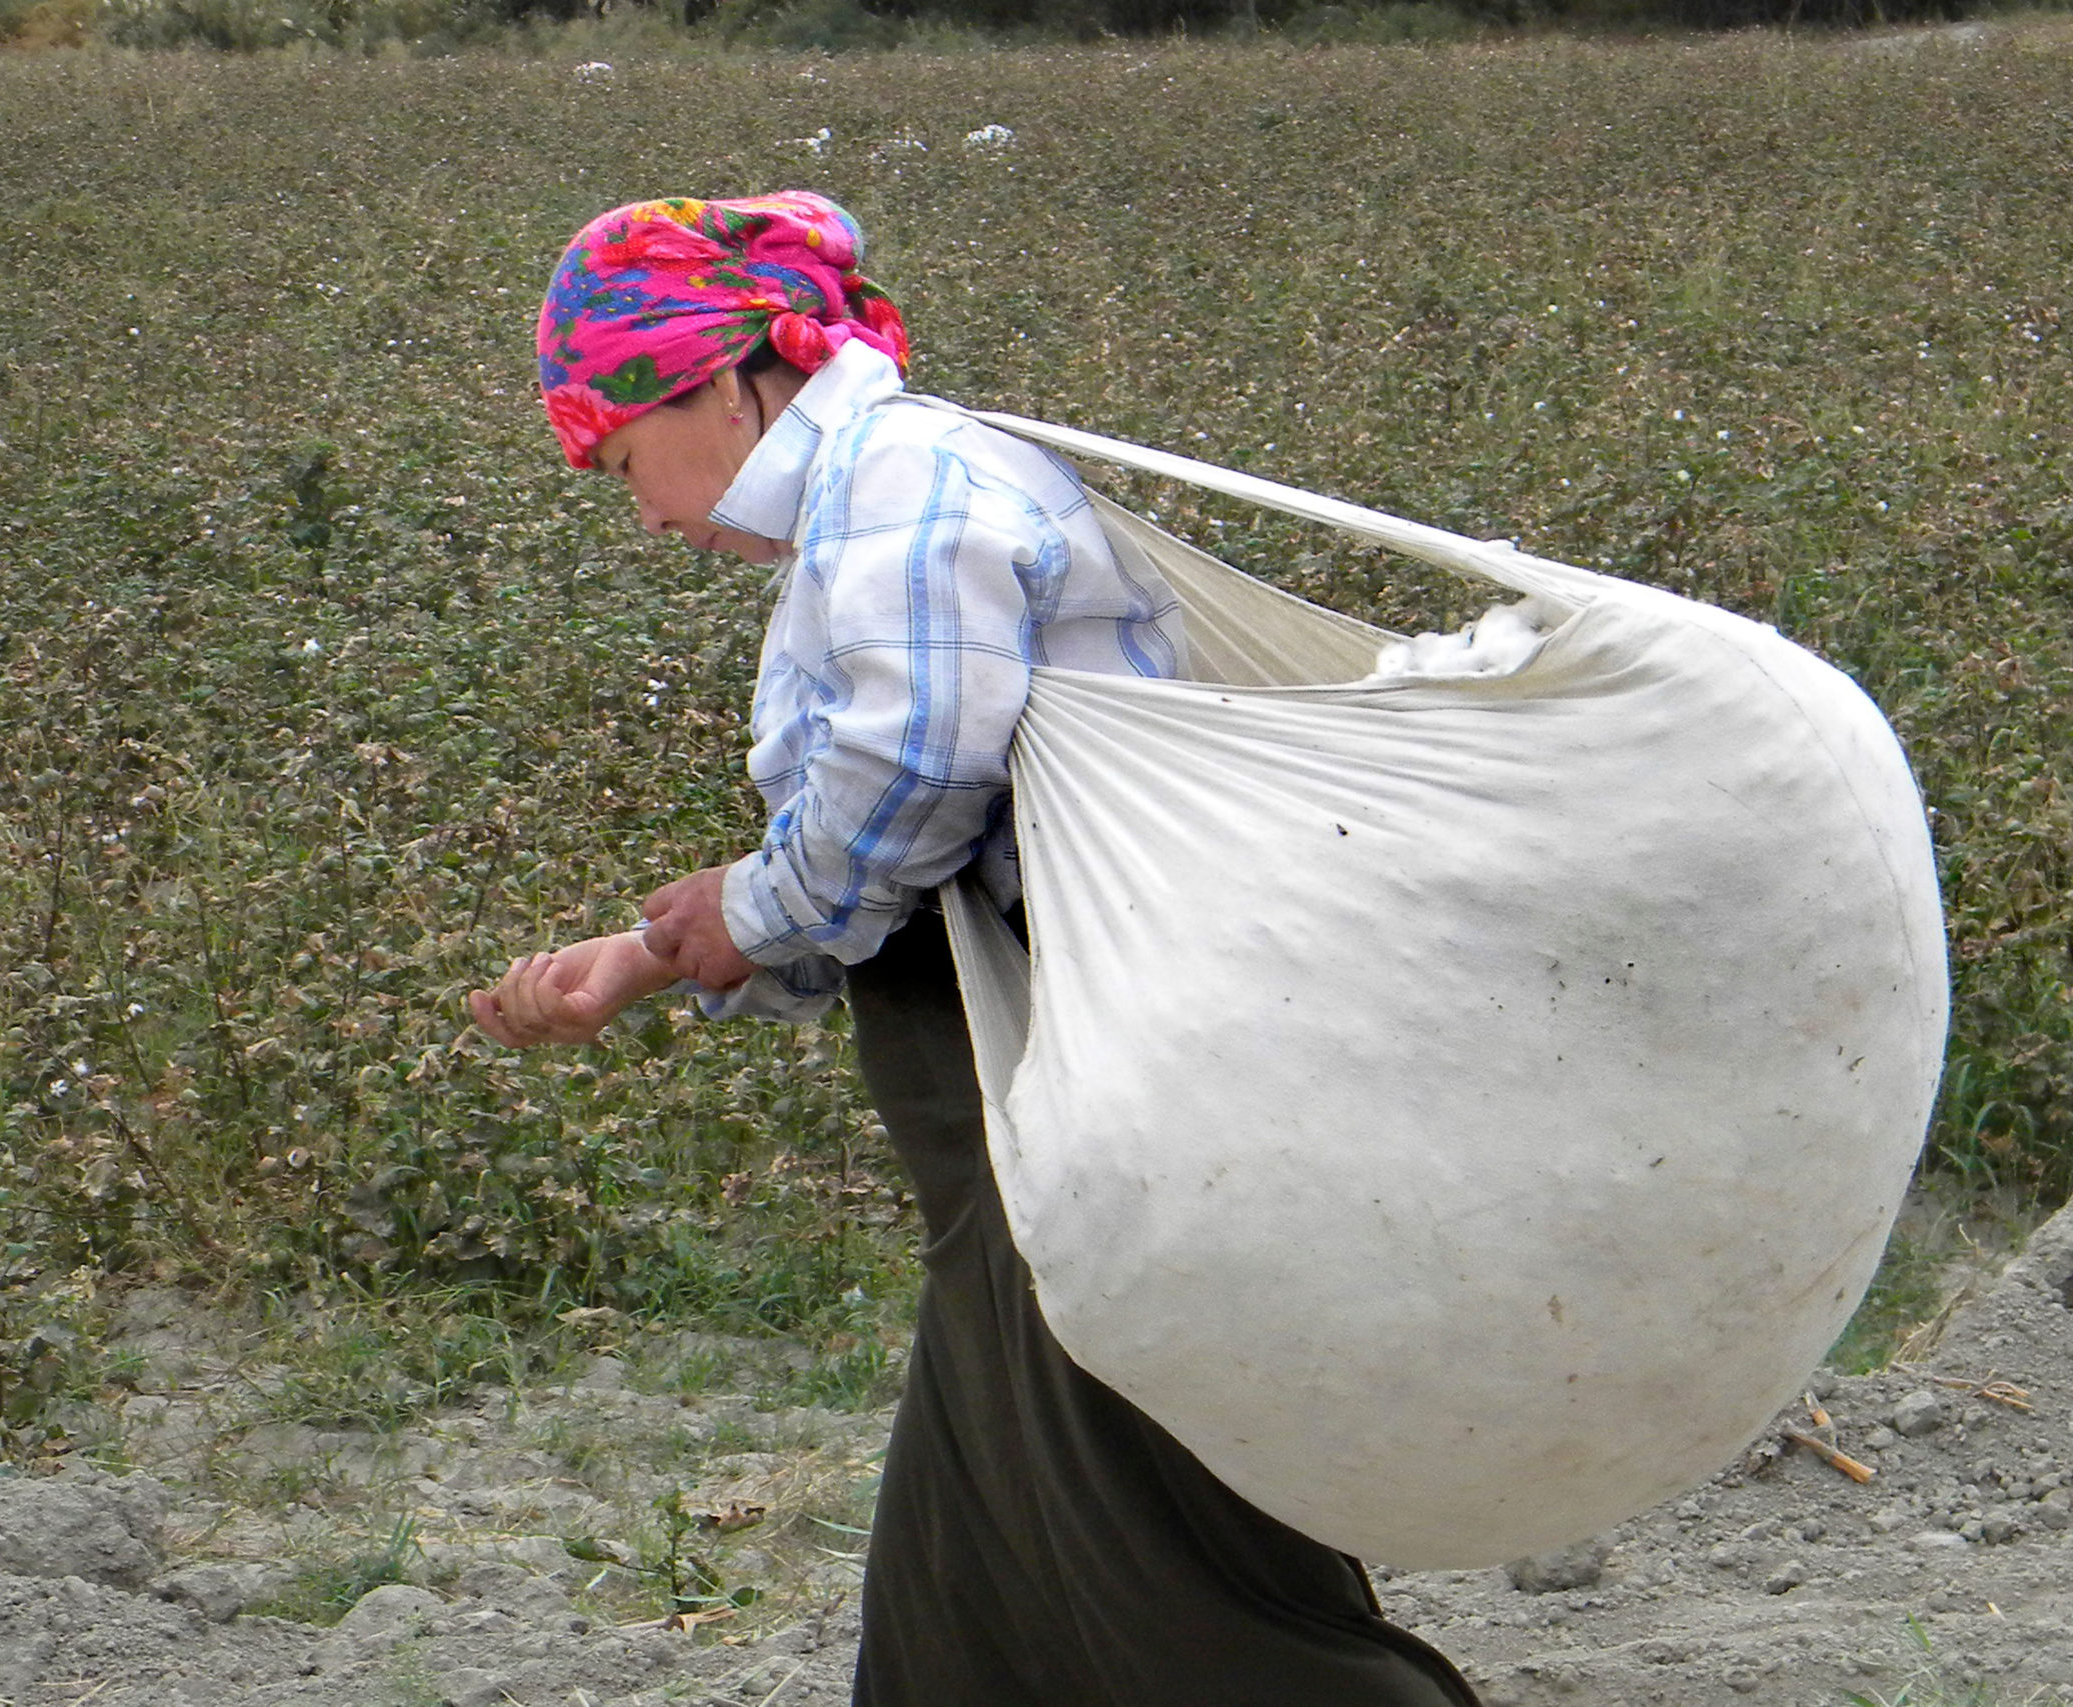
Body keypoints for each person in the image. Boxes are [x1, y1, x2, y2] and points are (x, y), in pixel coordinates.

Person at [469, 191, 1479, 1707]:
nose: (650, 519)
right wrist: (658, 948)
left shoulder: (906, 490)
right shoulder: (879, 494)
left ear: (727, 378)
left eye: (624, 462)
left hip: (1082, 1082)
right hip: (1023, 1102)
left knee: (1138, 1551)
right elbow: (901, 818)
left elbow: (917, 766)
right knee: (994, 1554)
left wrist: (744, 915)